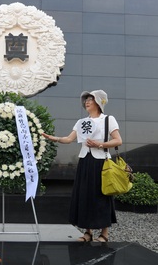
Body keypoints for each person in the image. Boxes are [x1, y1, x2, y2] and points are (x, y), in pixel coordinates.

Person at [42, 90, 123, 242]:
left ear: (99, 102)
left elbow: (118, 140)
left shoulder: (108, 119)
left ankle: (104, 233)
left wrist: (100, 144)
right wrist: (55, 138)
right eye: (86, 99)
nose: (87, 102)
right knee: (85, 195)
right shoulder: (81, 122)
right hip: (85, 161)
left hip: (101, 162)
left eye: (90, 99)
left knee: (102, 195)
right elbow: (68, 139)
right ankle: (88, 232)